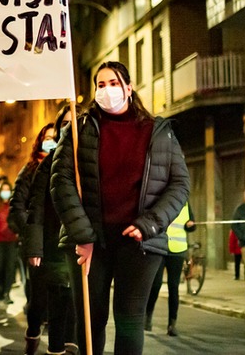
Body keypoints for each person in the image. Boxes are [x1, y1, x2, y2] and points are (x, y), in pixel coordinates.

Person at [51, 60, 189, 355]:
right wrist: (82, 235)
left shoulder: (158, 132)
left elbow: (179, 185)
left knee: (129, 322)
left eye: (113, 83)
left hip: (139, 243)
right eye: (100, 85)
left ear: (129, 88)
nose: (107, 90)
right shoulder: (79, 129)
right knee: (91, 321)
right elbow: (60, 183)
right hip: (90, 242)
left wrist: (149, 224)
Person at [26, 107, 76, 355]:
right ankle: (54, 348)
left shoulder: (92, 157)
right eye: (64, 124)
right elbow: (34, 209)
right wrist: (34, 247)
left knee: (79, 307)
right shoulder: (45, 167)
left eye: (74, 122)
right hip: (54, 245)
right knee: (56, 303)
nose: (69, 128)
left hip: (85, 245)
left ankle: (72, 345)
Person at [10, 122, 55, 353]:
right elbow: (16, 206)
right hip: (38, 241)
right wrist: (31, 232)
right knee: (38, 296)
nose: (53, 140)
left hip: (60, 242)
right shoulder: (29, 169)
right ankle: (33, 331)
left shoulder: (68, 165)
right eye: (48, 137)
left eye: (56, 136)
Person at [145, 203, 195, 336]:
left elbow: (191, 224)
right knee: (156, 285)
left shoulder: (185, 204)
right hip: (160, 247)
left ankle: (172, 324)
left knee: (174, 287)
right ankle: (148, 316)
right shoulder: (160, 198)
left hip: (178, 249)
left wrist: (191, 225)